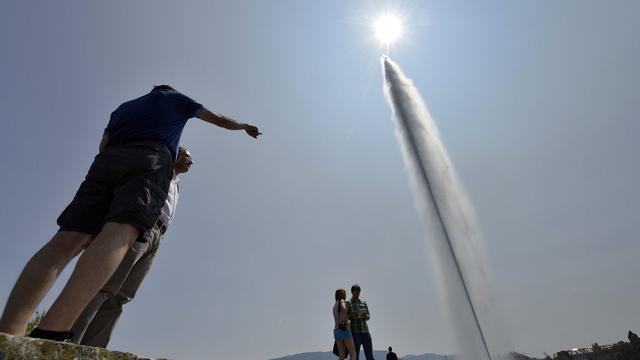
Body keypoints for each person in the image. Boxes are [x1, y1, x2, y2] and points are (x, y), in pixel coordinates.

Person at [0, 85, 261, 340]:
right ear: (167, 90)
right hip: (150, 158)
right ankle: (53, 330)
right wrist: (243, 126)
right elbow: (219, 120)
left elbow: (103, 145)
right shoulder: (175, 99)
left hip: (107, 160)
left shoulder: (123, 109)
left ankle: (9, 329)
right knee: (121, 231)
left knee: (66, 239)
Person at [70, 146, 193, 347]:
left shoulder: (177, 184)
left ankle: (94, 348)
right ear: (176, 154)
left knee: (123, 295)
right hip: (143, 225)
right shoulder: (158, 168)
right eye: (187, 157)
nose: (190, 162)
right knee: (106, 286)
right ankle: (71, 339)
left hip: (158, 236)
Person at [347, 284, 374, 360]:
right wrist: (354, 314)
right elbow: (346, 317)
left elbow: (368, 316)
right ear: (352, 292)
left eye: (358, 293)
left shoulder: (363, 302)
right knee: (355, 356)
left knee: (370, 356)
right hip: (355, 332)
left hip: (365, 331)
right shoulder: (348, 303)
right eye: (356, 293)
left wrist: (365, 316)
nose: (357, 294)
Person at [333, 289, 357, 360]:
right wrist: (346, 321)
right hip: (344, 329)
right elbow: (343, 309)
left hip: (336, 331)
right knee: (353, 355)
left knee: (341, 356)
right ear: (343, 295)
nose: (346, 296)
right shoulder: (342, 301)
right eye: (345, 294)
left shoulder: (335, 305)